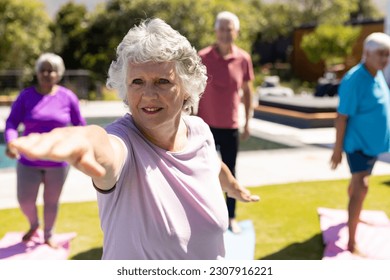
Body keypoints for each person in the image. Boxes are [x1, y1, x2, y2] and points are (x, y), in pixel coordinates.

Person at [8, 18, 259, 260]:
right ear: (125, 89)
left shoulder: (200, 131)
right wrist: (87, 141)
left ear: (186, 88)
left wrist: (230, 184)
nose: (148, 94)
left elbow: (211, 165)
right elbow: (107, 150)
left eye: (162, 81)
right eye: (137, 81)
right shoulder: (123, 141)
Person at [4, 53, 86, 247]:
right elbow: (11, 123)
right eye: (43, 69)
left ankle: (48, 234)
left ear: (58, 74)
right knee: (25, 200)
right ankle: (34, 225)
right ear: (37, 73)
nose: (47, 73)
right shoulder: (26, 96)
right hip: (28, 161)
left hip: (58, 162)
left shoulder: (68, 97)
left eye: (52, 70)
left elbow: (80, 126)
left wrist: (77, 148)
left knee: (51, 201)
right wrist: (11, 143)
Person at [330, 32, 390, 254]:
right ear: (366, 54)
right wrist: (337, 150)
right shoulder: (355, 79)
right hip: (357, 145)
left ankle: (354, 217)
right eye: (380, 54)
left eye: (388, 55)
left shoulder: (377, 74)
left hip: (372, 146)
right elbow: (342, 116)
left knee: (358, 185)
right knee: (361, 187)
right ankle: (351, 242)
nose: (385, 59)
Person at [196, 11, 255, 234]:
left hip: (230, 126)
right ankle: (205, 217)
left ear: (236, 32)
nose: (225, 33)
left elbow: (248, 92)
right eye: (221, 28)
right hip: (205, 127)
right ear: (215, 31)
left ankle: (230, 217)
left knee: (231, 173)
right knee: (203, 173)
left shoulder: (243, 59)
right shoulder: (202, 57)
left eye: (229, 29)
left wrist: (247, 121)